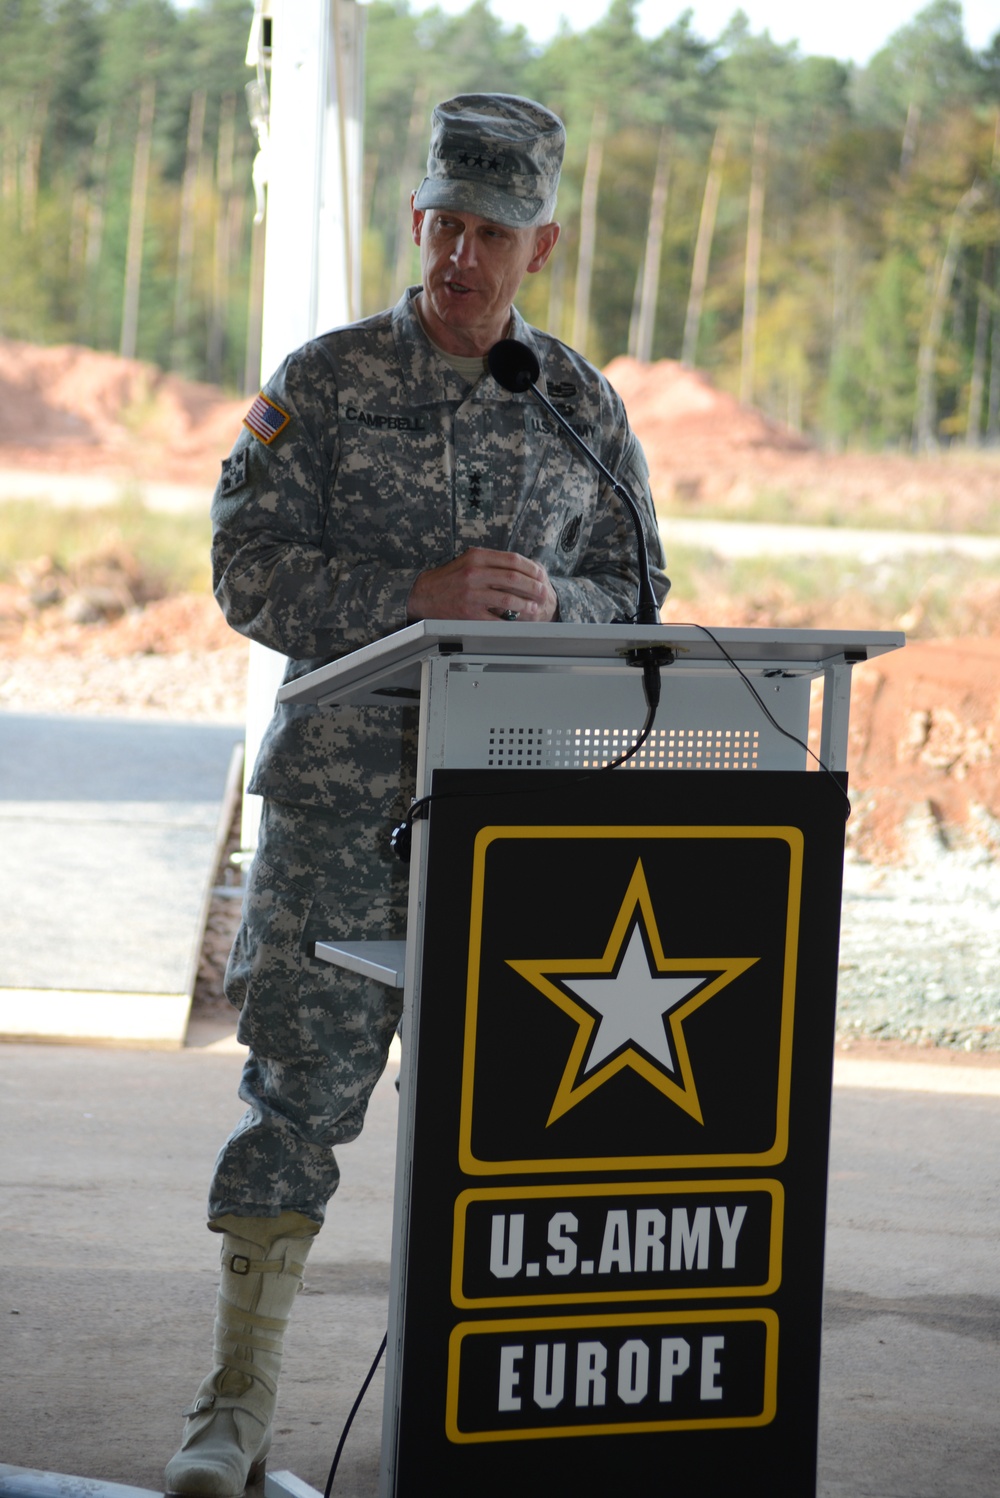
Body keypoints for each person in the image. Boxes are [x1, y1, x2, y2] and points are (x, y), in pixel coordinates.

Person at [165, 93, 669, 1497]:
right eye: (443, 224)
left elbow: (644, 596)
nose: (459, 254)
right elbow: (244, 569)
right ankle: (234, 1412)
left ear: (542, 243)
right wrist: (410, 601)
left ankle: (498, 1414)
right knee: (292, 1106)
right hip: (339, 820)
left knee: (520, 1128)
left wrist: (556, 601)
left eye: (490, 233)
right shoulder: (320, 384)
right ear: (416, 222)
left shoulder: (579, 408)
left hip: (520, 829)